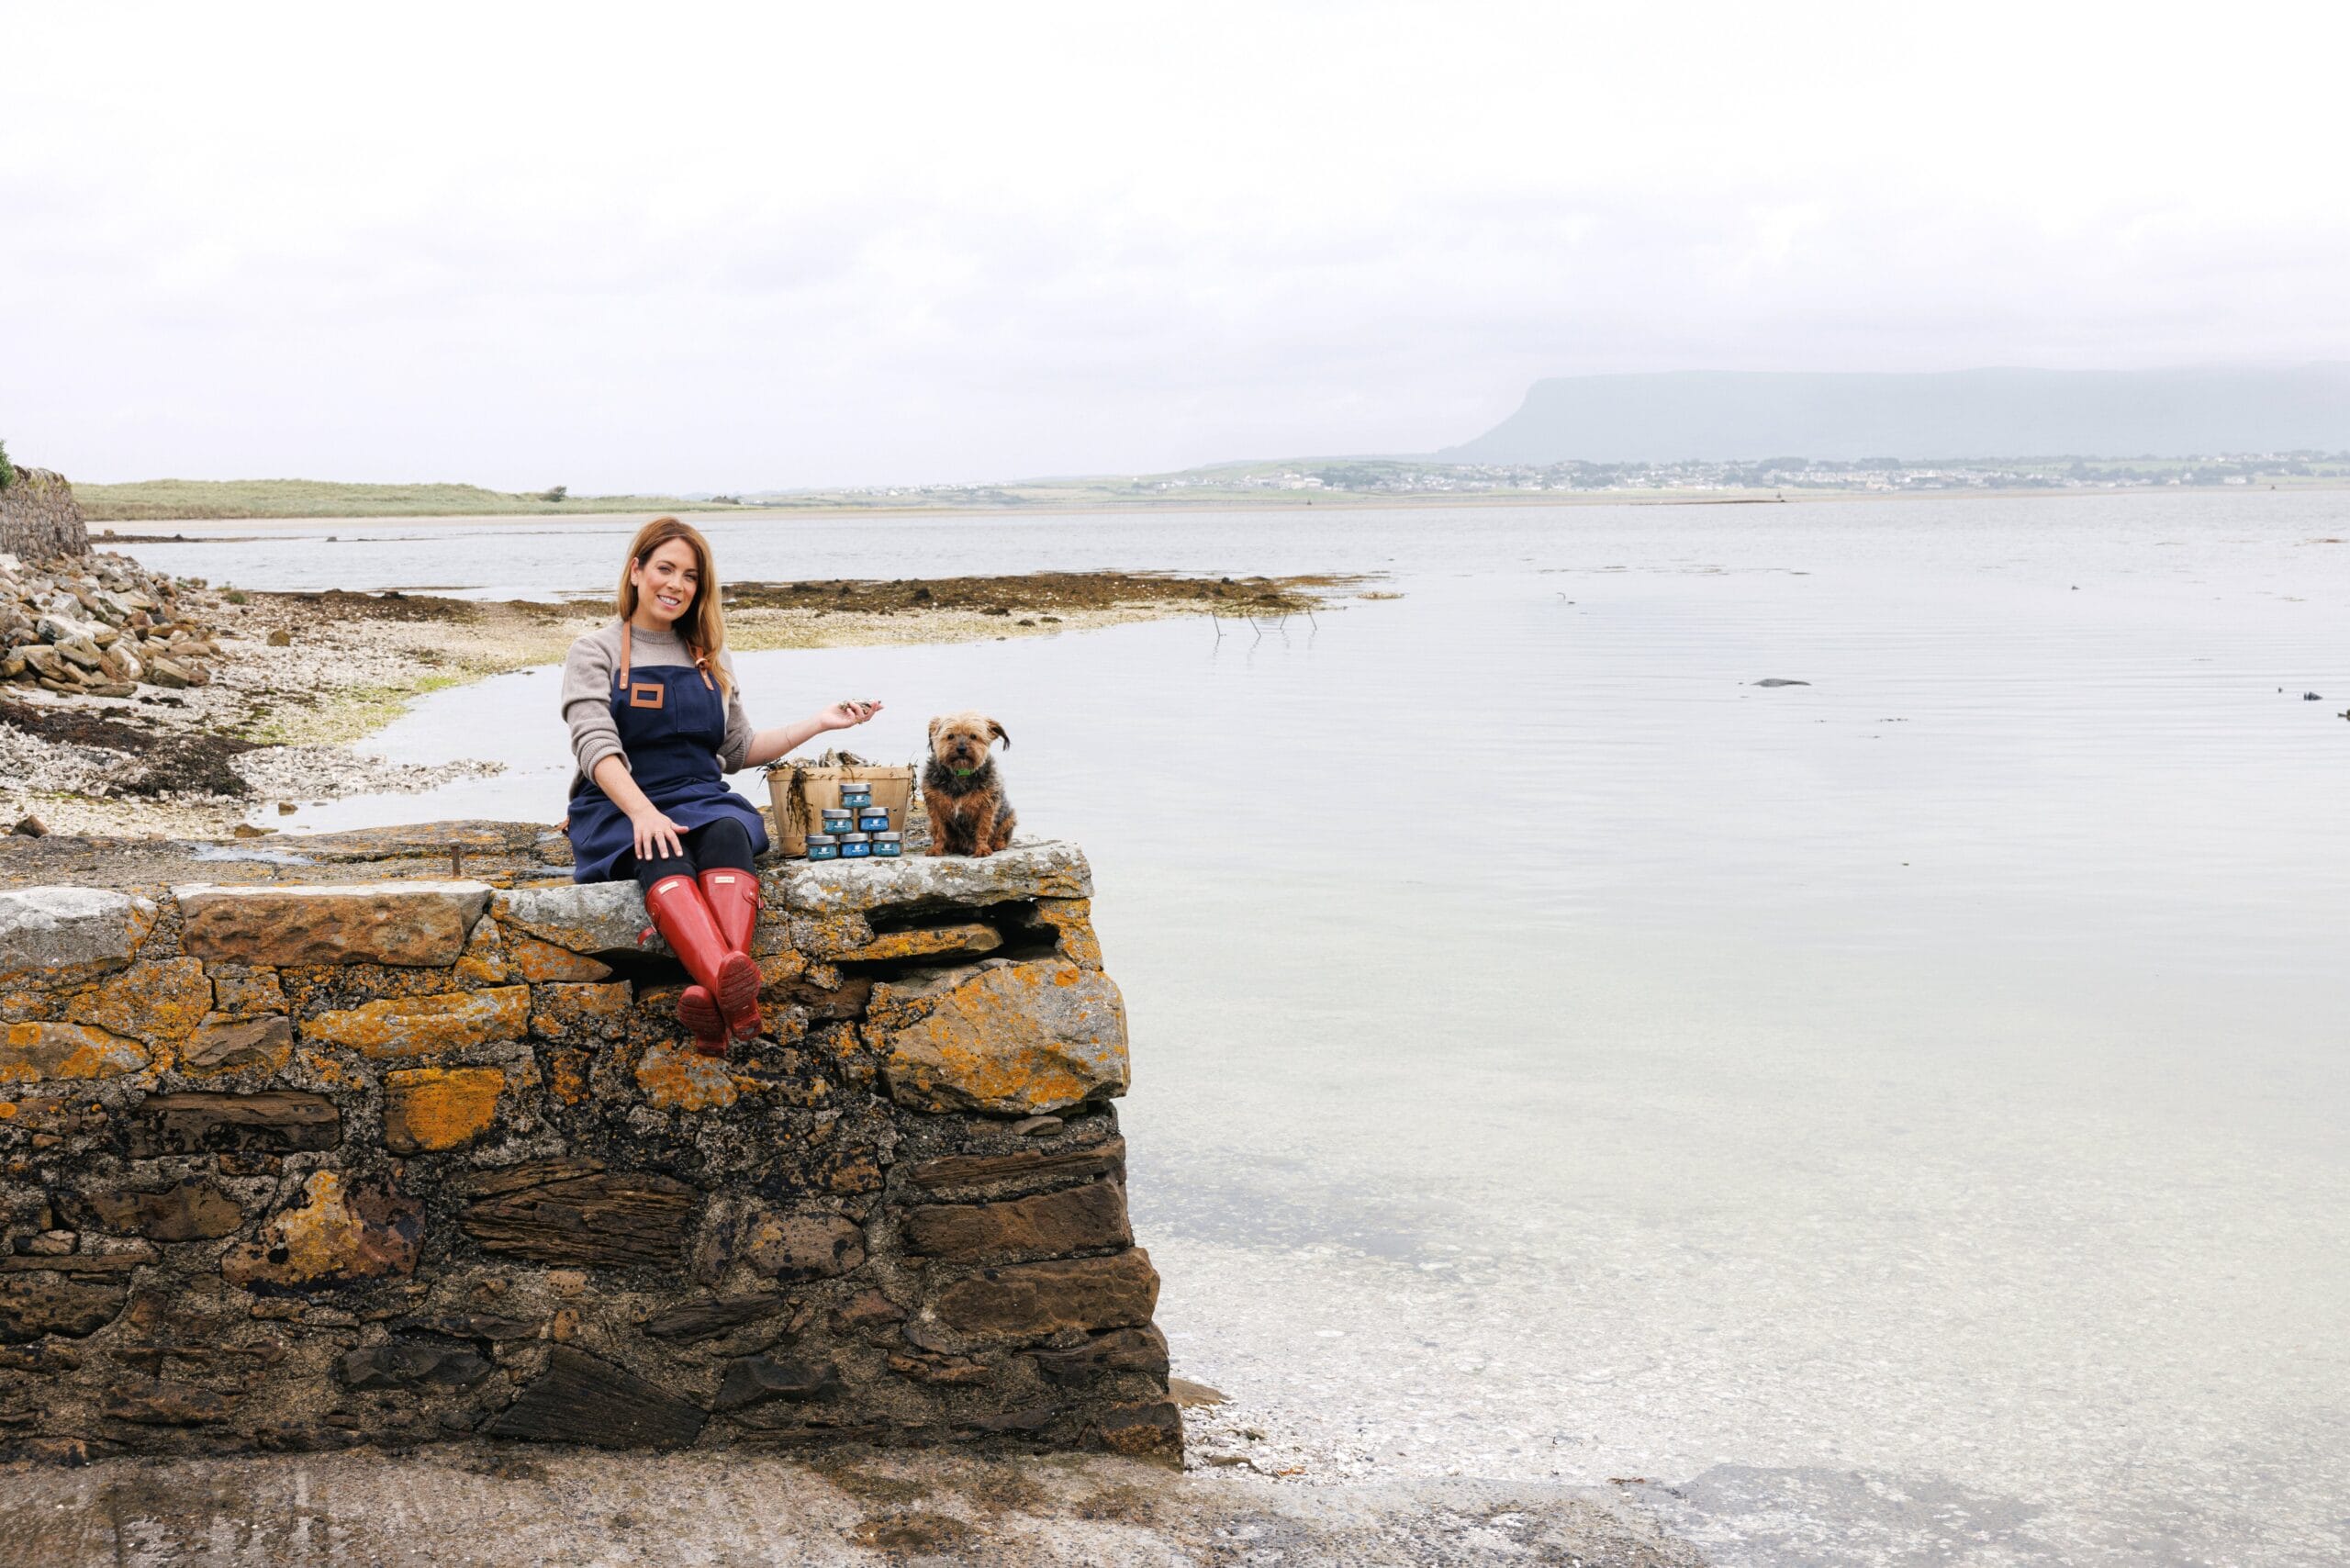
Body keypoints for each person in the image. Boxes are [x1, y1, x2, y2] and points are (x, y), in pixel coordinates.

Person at [561, 517, 880, 1058]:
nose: (676, 585)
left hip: (701, 795)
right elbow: (594, 746)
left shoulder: (711, 655)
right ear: (636, 571)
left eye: (690, 575)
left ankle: (717, 997)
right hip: (619, 804)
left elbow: (738, 752)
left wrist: (819, 723)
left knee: (731, 831)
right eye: (665, 568)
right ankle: (739, 1003)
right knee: (663, 848)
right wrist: (642, 814)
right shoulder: (596, 652)